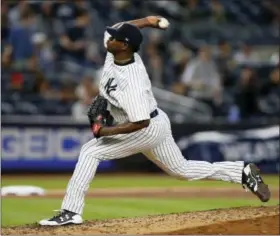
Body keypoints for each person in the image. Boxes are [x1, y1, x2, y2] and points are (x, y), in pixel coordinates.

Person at [39, 16, 270, 226]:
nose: (109, 38)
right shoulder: (116, 50)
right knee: (182, 170)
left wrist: (106, 131)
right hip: (156, 120)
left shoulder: (132, 84)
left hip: (145, 127)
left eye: (115, 38)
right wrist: (148, 21)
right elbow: (122, 28)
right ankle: (242, 171)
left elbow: (140, 123)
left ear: (124, 45)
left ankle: (71, 211)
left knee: (91, 151)